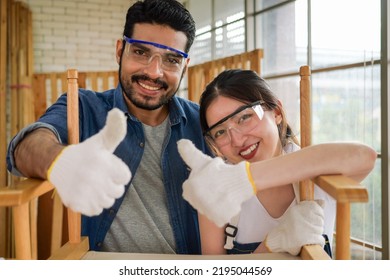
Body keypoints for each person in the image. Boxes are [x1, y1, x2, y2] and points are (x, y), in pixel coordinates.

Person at [6, 0, 212, 255]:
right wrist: (61, 160)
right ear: (120, 50)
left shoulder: (203, 122)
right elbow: (25, 147)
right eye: (140, 52)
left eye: (171, 60)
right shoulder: (82, 107)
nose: (154, 72)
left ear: (185, 66)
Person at [177, 69, 377, 256]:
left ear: (278, 113)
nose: (237, 140)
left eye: (245, 117)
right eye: (220, 132)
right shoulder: (216, 189)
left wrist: (246, 178)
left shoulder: (317, 167)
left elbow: (365, 156)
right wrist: (271, 246)